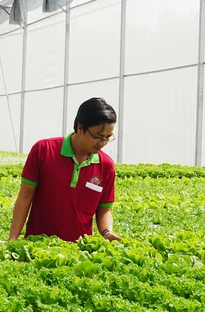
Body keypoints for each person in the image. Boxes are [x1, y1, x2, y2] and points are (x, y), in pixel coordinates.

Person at [8, 97, 122, 243]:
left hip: (79, 252)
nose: (103, 143)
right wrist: (12, 239)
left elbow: (104, 210)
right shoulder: (44, 150)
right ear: (80, 128)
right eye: (98, 137)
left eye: (108, 137)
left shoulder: (106, 165)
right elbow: (25, 197)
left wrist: (107, 232)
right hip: (37, 246)